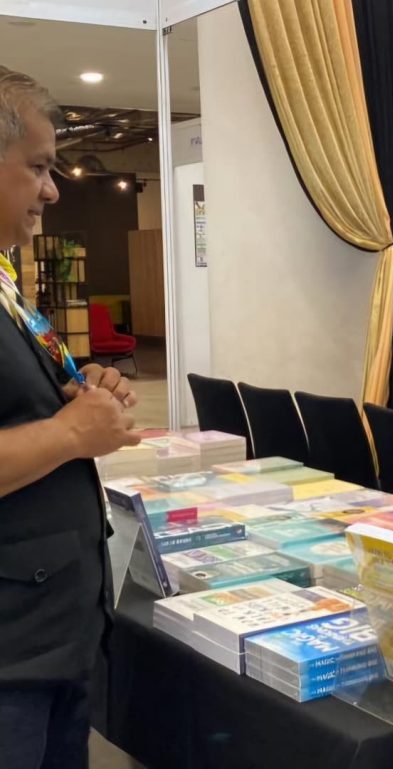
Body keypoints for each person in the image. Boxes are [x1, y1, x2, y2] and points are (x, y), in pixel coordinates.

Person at [0, 66, 141, 769]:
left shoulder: (4, 280)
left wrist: (81, 391)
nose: (52, 190)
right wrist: (68, 432)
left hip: (53, 633)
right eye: (38, 168)